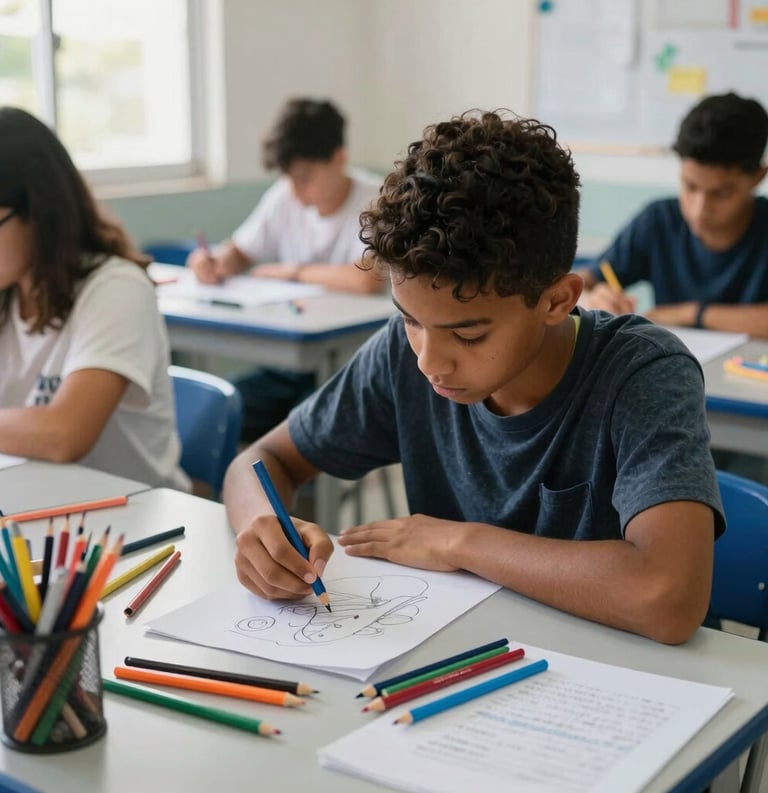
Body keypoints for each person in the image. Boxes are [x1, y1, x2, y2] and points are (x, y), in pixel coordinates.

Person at [223, 110, 723, 646]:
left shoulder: (642, 373)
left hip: (629, 678)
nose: (429, 362)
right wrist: (263, 526)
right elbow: (257, 463)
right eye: (411, 319)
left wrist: (460, 544)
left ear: (557, 301)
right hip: (463, 656)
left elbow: (668, 598)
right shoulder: (402, 352)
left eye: (469, 336)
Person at [0, 106, 189, 491]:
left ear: (36, 213)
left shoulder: (117, 288)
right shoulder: (9, 290)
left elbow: (64, 434)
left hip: (133, 523)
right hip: (37, 506)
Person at [185, 98, 385, 443]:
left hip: (350, 369)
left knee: (309, 429)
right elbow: (241, 249)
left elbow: (366, 279)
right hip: (289, 368)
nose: (295, 189)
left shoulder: (378, 200)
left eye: (305, 178)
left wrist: (293, 271)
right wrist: (216, 262)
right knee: (210, 414)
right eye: (289, 178)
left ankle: (306, 496)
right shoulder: (285, 197)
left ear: (339, 159)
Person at [576, 92, 768, 337]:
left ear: (758, 177)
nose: (699, 209)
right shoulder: (659, 220)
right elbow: (583, 281)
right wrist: (592, 298)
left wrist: (690, 314)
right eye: (690, 186)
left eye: (720, 194)